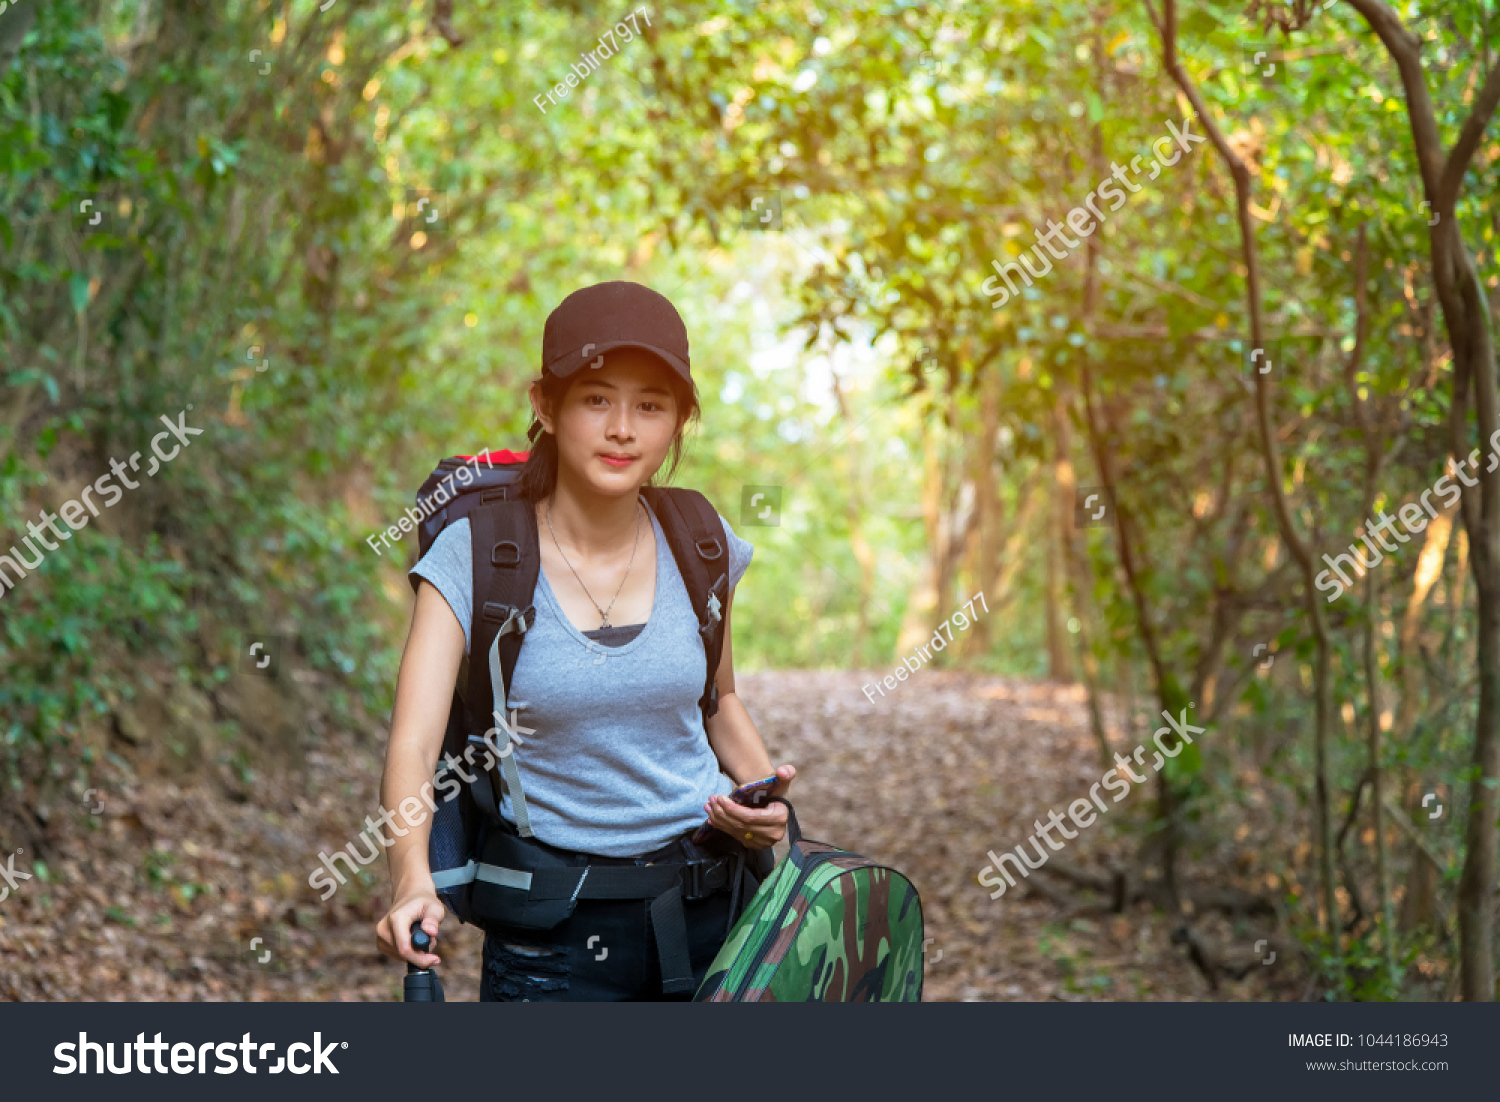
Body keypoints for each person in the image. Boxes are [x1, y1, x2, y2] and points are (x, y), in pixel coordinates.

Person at [373, 281, 795, 1000]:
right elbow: (412, 744)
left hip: (713, 921)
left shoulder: (702, 543)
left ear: (677, 422)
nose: (623, 428)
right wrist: (412, 879)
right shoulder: (474, 556)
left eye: (651, 405)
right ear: (546, 404)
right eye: (597, 398)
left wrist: (772, 824)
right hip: (550, 945)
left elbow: (719, 704)